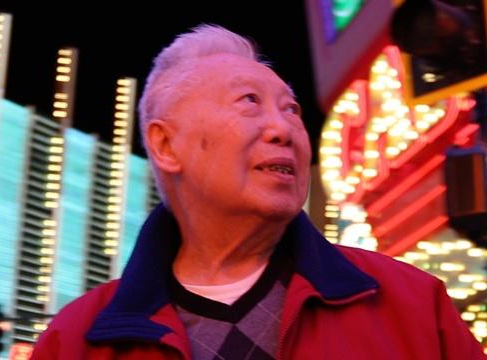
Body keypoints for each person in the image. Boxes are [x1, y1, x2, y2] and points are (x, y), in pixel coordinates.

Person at [31, 24, 485, 359]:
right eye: (249, 102)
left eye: (292, 109)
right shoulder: (76, 340)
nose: (283, 128)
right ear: (166, 145)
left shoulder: (413, 305)